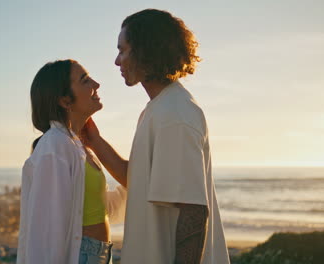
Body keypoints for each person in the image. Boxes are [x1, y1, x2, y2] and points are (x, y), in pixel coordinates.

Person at [82, 9, 230, 263]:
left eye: (123, 50)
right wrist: (94, 141)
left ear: (146, 51)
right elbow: (138, 179)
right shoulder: (159, 108)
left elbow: (194, 211)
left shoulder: (174, 114)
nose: (117, 61)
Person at [16, 59, 127, 264]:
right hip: (81, 255)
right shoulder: (55, 146)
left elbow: (100, 209)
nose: (96, 84)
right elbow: (47, 229)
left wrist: (138, 179)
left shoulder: (78, 146)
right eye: (85, 80)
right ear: (65, 101)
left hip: (99, 254)